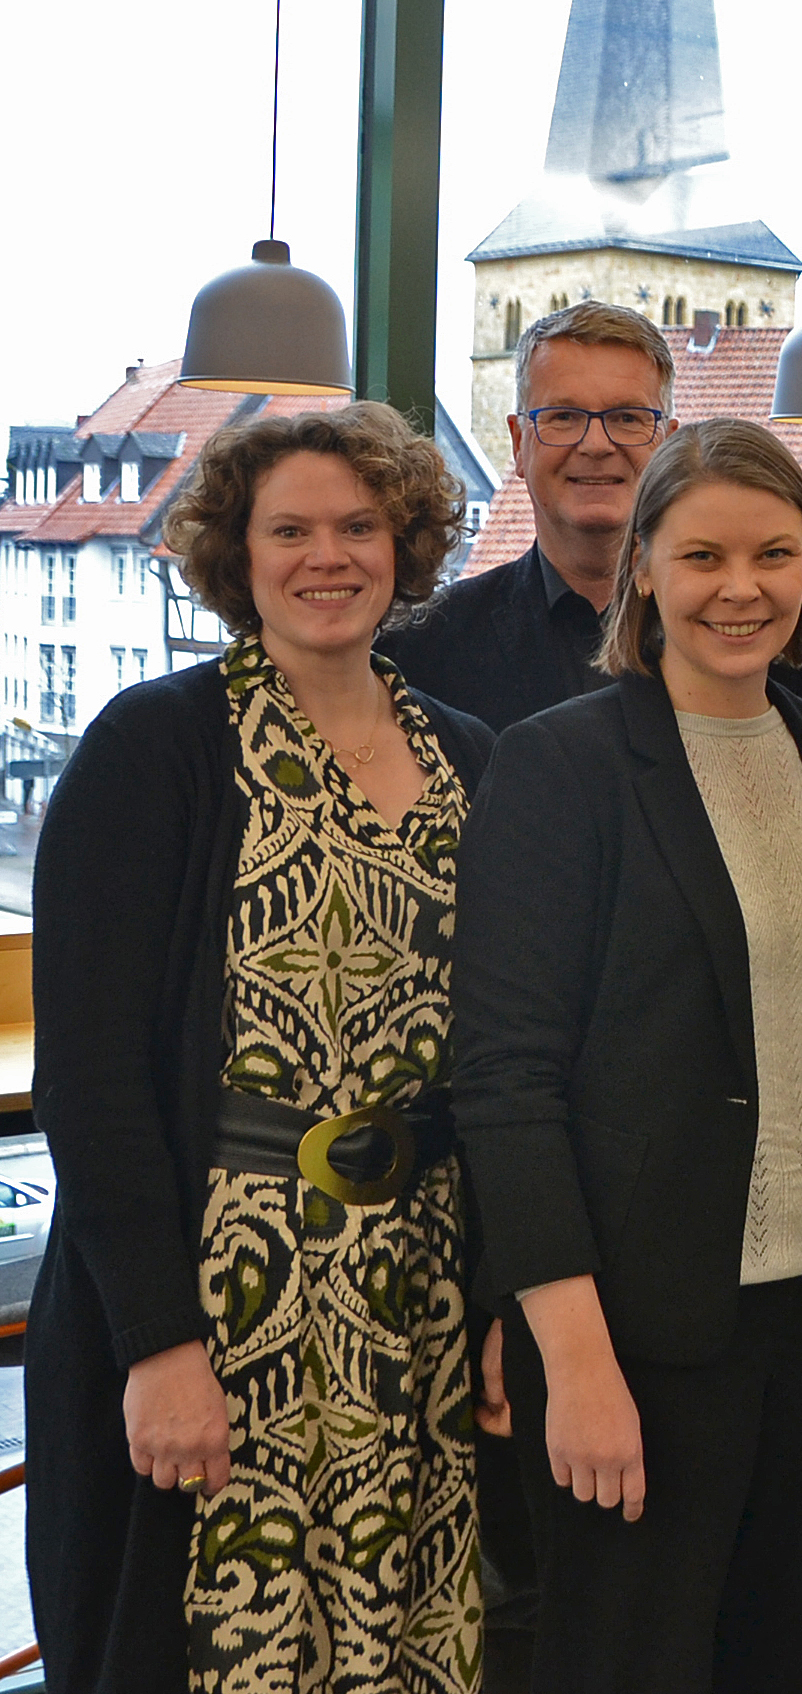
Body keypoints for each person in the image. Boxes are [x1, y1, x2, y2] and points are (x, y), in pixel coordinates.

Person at [450, 418, 802, 1690]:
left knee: (768, 1654)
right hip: (634, 1330)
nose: (743, 587)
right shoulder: (562, 765)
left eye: (776, 554)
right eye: (703, 553)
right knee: (626, 1662)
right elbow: (505, 1082)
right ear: (644, 567)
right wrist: (574, 1357)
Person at [26, 403, 491, 1691]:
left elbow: (506, 1063)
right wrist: (157, 1342)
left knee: (400, 1637)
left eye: (358, 526)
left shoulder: (472, 757)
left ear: (408, 543)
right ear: (238, 553)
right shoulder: (154, 746)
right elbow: (94, 1077)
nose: (326, 557)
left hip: (416, 1298)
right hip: (219, 1296)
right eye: (289, 530)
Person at [380, 298, 802, 730]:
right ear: (519, 443)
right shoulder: (426, 647)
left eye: (627, 418)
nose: (597, 445)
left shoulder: (772, 643)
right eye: (563, 417)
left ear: (668, 442)